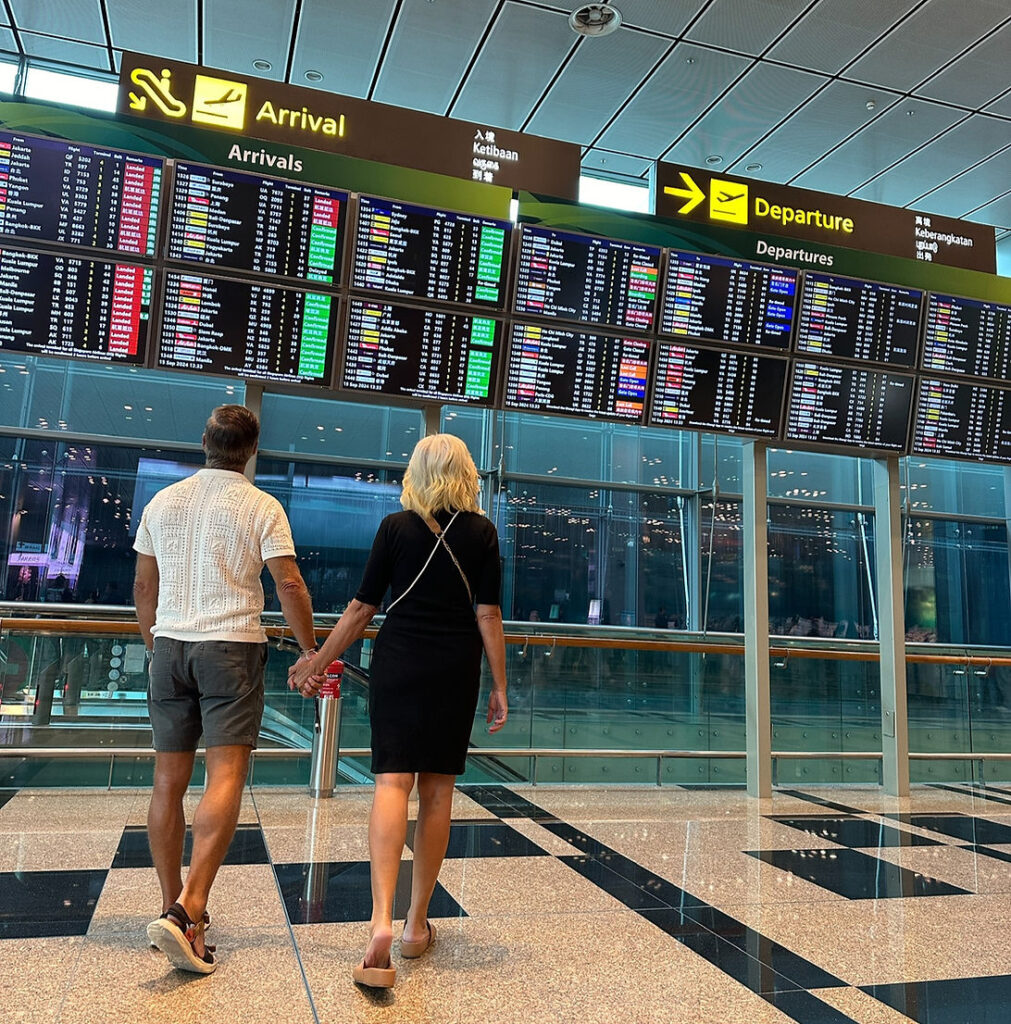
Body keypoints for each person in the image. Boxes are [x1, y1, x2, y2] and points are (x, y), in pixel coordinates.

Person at [289, 433, 508, 989]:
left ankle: (379, 921)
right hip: (455, 668)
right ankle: (415, 926)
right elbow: (488, 616)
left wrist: (317, 659)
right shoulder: (483, 532)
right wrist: (500, 686)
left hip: (400, 663)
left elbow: (362, 608)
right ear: (465, 473)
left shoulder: (394, 527)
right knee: (437, 794)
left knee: (392, 786)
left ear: (417, 472)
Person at [133, 405, 318, 975]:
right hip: (232, 647)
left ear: (205, 442)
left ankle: (174, 906)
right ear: (251, 450)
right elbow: (287, 581)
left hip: (169, 646)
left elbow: (144, 584)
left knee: (168, 780)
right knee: (226, 776)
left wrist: (154, 643)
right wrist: (310, 650)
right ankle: (188, 910)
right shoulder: (262, 506)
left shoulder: (162, 502)